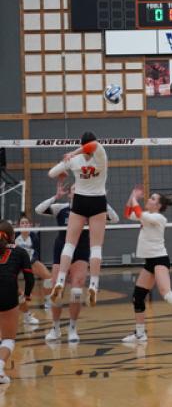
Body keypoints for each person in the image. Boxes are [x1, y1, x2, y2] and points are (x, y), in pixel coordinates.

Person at [35, 181, 119, 342]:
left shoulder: (93, 211)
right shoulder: (61, 208)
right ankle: (56, 328)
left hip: (81, 250)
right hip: (62, 249)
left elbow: (114, 219)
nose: (78, 191)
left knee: (77, 289)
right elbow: (39, 209)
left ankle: (72, 328)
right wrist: (55, 196)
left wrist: (101, 200)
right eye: (75, 189)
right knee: (55, 290)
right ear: (71, 193)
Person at [122, 186, 172, 343]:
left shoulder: (160, 218)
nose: (148, 200)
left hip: (160, 259)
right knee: (137, 297)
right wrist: (131, 197)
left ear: (158, 206)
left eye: (152, 199)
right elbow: (127, 214)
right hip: (149, 262)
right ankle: (140, 334)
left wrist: (134, 199)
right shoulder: (146, 215)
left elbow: (138, 213)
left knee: (166, 293)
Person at [48, 131, 108, 307]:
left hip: (80, 201)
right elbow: (92, 147)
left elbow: (51, 173)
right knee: (96, 246)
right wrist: (76, 153)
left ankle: (59, 281)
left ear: (81, 144)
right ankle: (94, 285)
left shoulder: (73, 161)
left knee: (69, 244)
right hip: (97, 201)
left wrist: (65, 168)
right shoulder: (100, 155)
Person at [0, 220, 34, 383]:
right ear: (13, 236)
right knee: (8, 338)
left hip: (7, 290)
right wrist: (26, 295)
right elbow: (29, 278)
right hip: (7, 292)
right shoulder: (20, 251)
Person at [15, 213, 51, 322]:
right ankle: (25, 314)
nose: (25, 225)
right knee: (12, 286)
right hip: (16, 263)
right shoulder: (15, 236)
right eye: (22, 223)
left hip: (30, 261)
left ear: (30, 224)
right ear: (19, 225)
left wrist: (31, 261)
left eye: (26, 223)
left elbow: (36, 252)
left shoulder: (34, 236)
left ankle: (48, 301)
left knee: (48, 277)